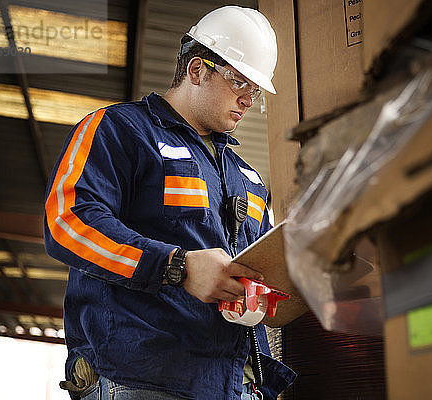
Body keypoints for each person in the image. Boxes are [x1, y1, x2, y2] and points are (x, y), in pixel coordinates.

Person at [44, 5, 296, 400]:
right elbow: (67, 222)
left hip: (238, 386)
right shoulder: (120, 131)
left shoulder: (248, 179)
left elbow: (262, 266)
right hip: (142, 378)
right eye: (239, 82)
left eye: (256, 90)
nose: (249, 99)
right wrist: (177, 267)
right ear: (197, 70)